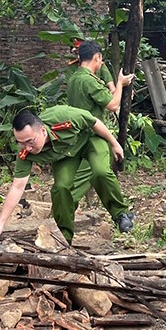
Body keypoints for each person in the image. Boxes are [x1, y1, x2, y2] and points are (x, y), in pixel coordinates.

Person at [0, 107, 131, 244]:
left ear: (43, 131)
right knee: (61, 188)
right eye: (21, 143)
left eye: (30, 141)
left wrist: (114, 144)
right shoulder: (25, 154)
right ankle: (64, 237)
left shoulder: (62, 117)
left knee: (100, 172)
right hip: (66, 157)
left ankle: (121, 214)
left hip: (90, 141)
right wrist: (0, 225)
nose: (27, 148)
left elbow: (94, 122)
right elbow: (17, 187)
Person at [65, 40, 135, 232]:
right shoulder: (88, 80)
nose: (101, 63)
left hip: (77, 137)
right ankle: (62, 218)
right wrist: (120, 83)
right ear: (96, 58)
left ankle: (121, 214)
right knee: (99, 174)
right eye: (100, 60)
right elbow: (113, 105)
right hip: (93, 136)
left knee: (94, 175)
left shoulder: (74, 79)